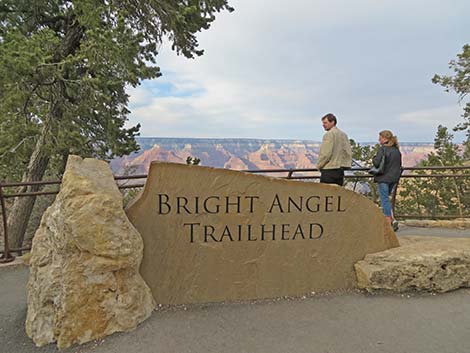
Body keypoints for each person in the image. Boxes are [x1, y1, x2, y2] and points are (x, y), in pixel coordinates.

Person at [372, 130, 402, 231]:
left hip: (383, 178)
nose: (378, 140)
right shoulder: (396, 150)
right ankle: (392, 219)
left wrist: (374, 158)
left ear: (385, 139)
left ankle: (389, 222)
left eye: (380, 138)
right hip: (393, 178)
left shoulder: (382, 149)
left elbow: (377, 163)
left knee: (384, 199)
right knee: (386, 199)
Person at [317, 113, 352, 186]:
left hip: (328, 170)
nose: (323, 125)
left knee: (325, 195)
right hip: (340, 171)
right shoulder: (343, 135)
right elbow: (348, 152)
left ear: (332, 122)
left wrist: (319, 166)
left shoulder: (329, 134)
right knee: (337, 195)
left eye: (325, 123)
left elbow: (326, 153)